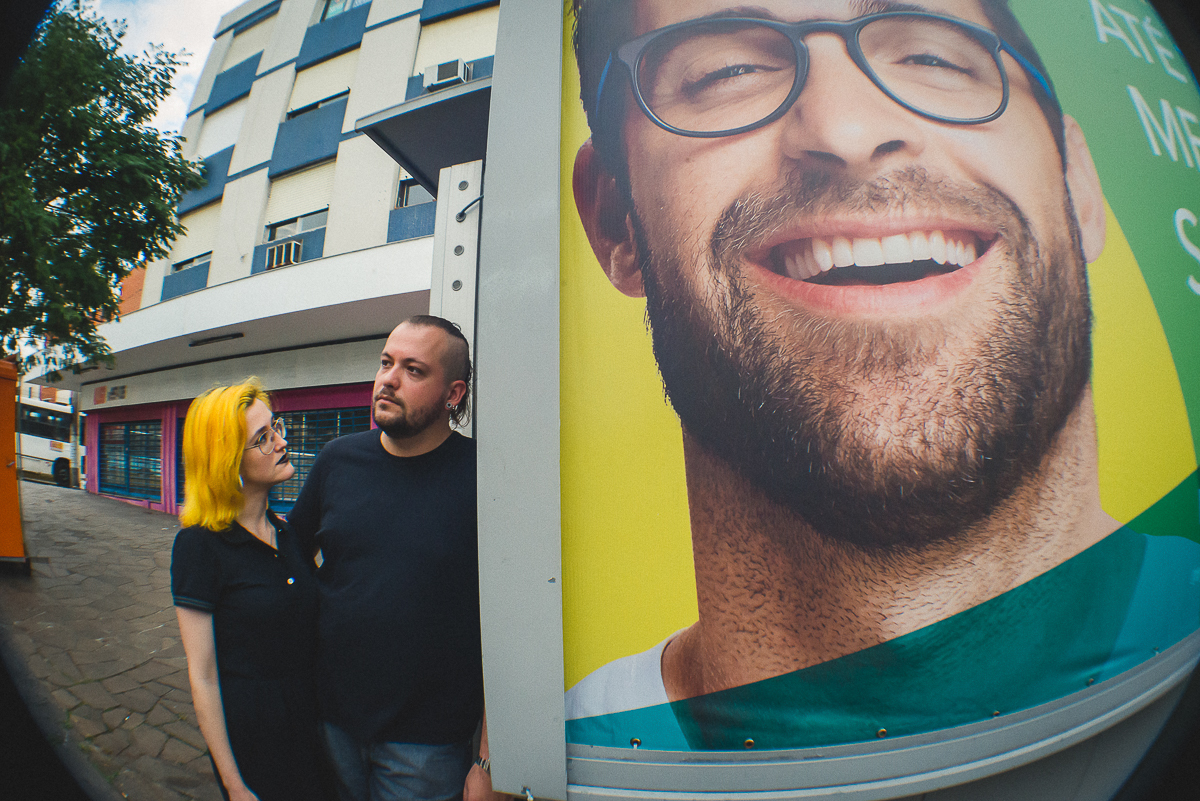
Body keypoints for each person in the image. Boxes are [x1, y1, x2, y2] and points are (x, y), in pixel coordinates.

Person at [565, 0, 1200, 749]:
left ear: (1078, 182)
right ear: (614, 221)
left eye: (934, 55)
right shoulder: (564, 754)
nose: (847, 130)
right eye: (727, 72)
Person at [288, 315, 501, 801]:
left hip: (427, 745)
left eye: (413, 370)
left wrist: (489, 759)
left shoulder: (484, 477)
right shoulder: (337, 460)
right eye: (386, 363)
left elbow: (509, 624)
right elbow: (291, 562)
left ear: (453, 394)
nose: (388, 379)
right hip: (330, 722)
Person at [171, 379, 326, 800]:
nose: (281, 442)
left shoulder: (288, 535)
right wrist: (234, 784)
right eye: (263, 438)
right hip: (256, 745)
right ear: (227, 463)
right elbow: (203, 676)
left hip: (310, 733)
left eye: (277, 427)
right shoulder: (200, 546)